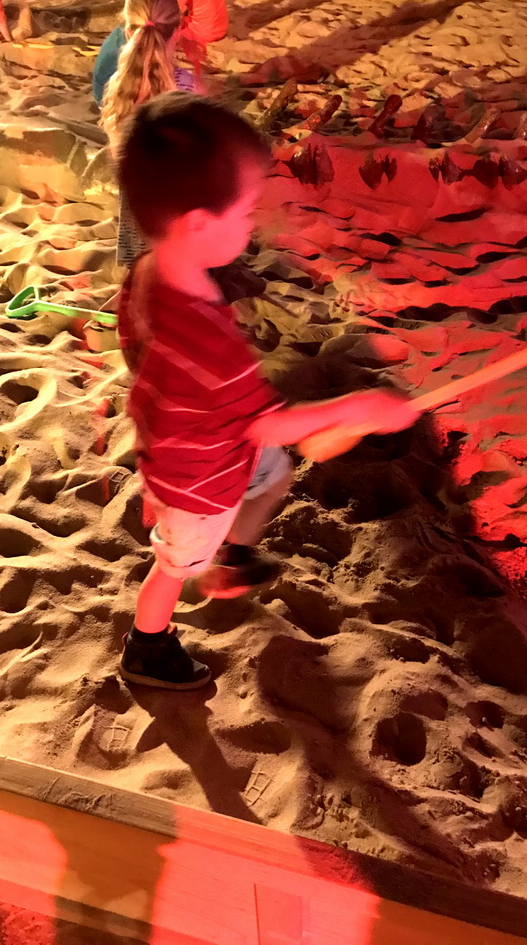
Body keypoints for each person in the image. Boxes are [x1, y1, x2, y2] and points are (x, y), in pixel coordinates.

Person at [115, 93, 416, 690]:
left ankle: (234, 558)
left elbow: (143, 353)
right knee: (173, 568)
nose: (253, 226)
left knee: (275, 475)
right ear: (197, 224)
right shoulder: (207, 346)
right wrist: (362, 406)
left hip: (191, 444)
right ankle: (147, 647)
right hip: (198, 480)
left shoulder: (150, 271)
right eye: (246, 212)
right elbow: (266, 425)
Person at [100, 0, 200, 268]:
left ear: (128, 31)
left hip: (136, 221)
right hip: (177, 226)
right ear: (178, 32)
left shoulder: (116, 89)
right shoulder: (186, 88)